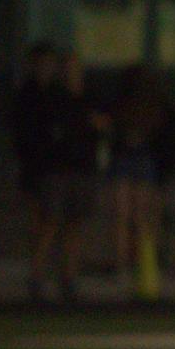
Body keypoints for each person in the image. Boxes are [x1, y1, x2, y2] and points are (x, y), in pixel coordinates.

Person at [107, 66, 175, 293]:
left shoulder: (155, 106)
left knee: (138, 218)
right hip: (128, 160)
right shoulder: (125, 104)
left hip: (142, 160)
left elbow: (164, 134)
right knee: (127, 217)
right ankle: (127, 266)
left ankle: (141, 266)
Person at [40, 52, 103, 302]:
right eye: (67, 69)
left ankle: (69, 276)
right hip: (58, 170)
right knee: (50, 223)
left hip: (82, 168)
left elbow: (100, 125)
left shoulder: (88, 97)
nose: (71, 74)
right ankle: (38, 275)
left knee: (75, 225)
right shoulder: (54, 98)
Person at [11, 42, 61, 303]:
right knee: (39, 221)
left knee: (50, 220)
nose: (47, 68)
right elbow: (22, 134)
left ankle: (40, 271)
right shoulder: (27, 95)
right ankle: (37, 272)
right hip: (35, 169)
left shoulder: (55, 93)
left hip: (52, 169)